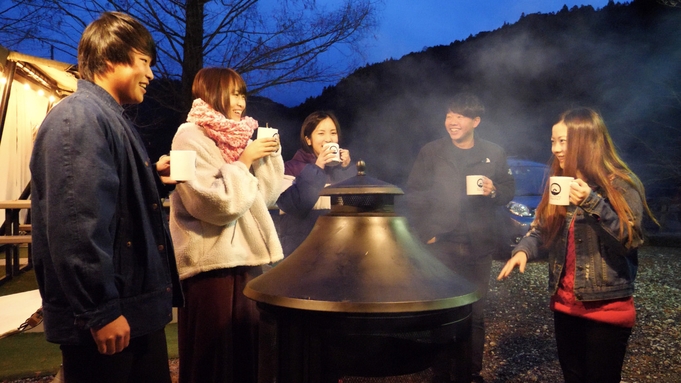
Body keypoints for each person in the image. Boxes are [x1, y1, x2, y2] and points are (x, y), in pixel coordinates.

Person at [29, 12, 183, 383]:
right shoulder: (78, 118)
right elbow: (75, 223)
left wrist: (151, 178)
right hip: (111, 320)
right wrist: (100, 310)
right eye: (144, 61)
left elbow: (106, 198)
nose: (150, 74)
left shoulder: (107, 116)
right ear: (113, 59)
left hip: (131, 311)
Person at [497, 107, 656, 383]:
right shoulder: (559, 182)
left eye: (563, 141)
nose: (556, 149)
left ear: (587, 141)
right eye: (553, 141)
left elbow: (629, 240)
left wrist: (592, 202)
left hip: (606, 308)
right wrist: (523, 249)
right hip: (565, 306)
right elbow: (543, 229)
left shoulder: (620, 184)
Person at [169, 67, 284, 383]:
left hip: (246, 262)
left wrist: (268, 156)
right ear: (212, 92)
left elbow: (264, 198)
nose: (241, 102)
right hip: (210, 266)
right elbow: (209, 203)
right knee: (214, 358)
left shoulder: (241, 136)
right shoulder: (187, 136)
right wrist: (245, 161)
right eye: (234, 93)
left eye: (243, 94)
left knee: (246, 354)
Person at [405, 93, 514, 383]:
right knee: (442, 311)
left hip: (479, 245)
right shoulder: (431, 152)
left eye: (460, 116)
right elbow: (413, 194)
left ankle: (470, 373)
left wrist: (494, 191)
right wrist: (426, 232)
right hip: (442, 244)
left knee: (475, 315)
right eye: (449, 115)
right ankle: (441, 372)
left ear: (475, 121)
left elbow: (507, 189)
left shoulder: (493, 152)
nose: (452, 122)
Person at [275, 111, 354, 257]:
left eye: (333, 133)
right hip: (301, 252)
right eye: (321, 133)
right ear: (308, 139)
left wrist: (346, 169)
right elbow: (295, 206)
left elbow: (354, 207)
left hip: (338, 251)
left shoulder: (338, 170)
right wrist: (317, 167)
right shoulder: (291, 167)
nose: (329, 139)